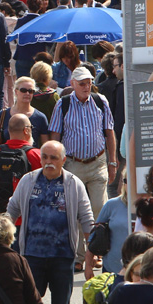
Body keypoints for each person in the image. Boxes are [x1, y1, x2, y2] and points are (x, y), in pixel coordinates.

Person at [6, 140, 93, 304]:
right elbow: (12, 210)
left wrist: (91, 253)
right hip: (31, 256)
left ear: (64, 160)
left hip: (63, 258)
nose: (48, 162)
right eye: (45, 157)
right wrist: (2, 238)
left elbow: (86, 218)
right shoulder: (28, 180)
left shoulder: (73, 184)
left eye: (54, 158)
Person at [49, 66, 117, 244]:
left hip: (98, 162)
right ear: (73, 84)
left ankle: (98, 248)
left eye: (89, 83)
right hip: (73, 164)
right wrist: (56, 165)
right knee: (75, 210)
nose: (87, 87)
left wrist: (113, 163)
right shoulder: (62, 104)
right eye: (82, 84)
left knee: (99, 208)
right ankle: (79, 256)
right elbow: (55, 136)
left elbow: (109, 132)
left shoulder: (100, 101)